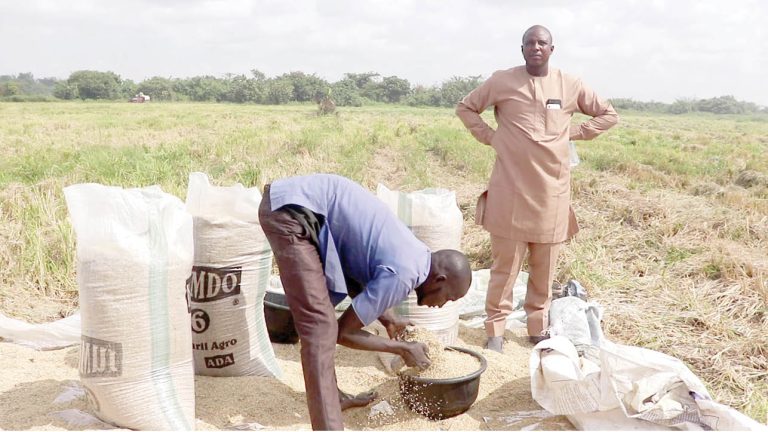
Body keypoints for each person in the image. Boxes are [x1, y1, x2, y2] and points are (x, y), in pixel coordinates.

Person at [258, 173, 472, 431]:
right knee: (320, 329)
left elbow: (363, 275)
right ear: (440, 279)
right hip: (293, 213)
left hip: (309, 209)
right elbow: (343, 333)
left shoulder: (415, 255)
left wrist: (389, 319)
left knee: (323, 322)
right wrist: (402, 349)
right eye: (449, 297)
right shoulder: (404, 275)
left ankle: (333, 398)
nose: (442, 305)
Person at [455, 25, 618, 353]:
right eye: (530, 43)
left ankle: (536, 329)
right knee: (504, 269)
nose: (536, 47)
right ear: (522, 49)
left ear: (551, 49)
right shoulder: (503, 81)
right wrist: (491, 136)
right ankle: (495, 331)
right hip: (510, 191)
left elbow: (608, 114)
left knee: (544, 272)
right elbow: (466, 108)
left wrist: (576, 133)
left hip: (552, 194)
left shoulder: (569, 84)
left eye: (542, 43)